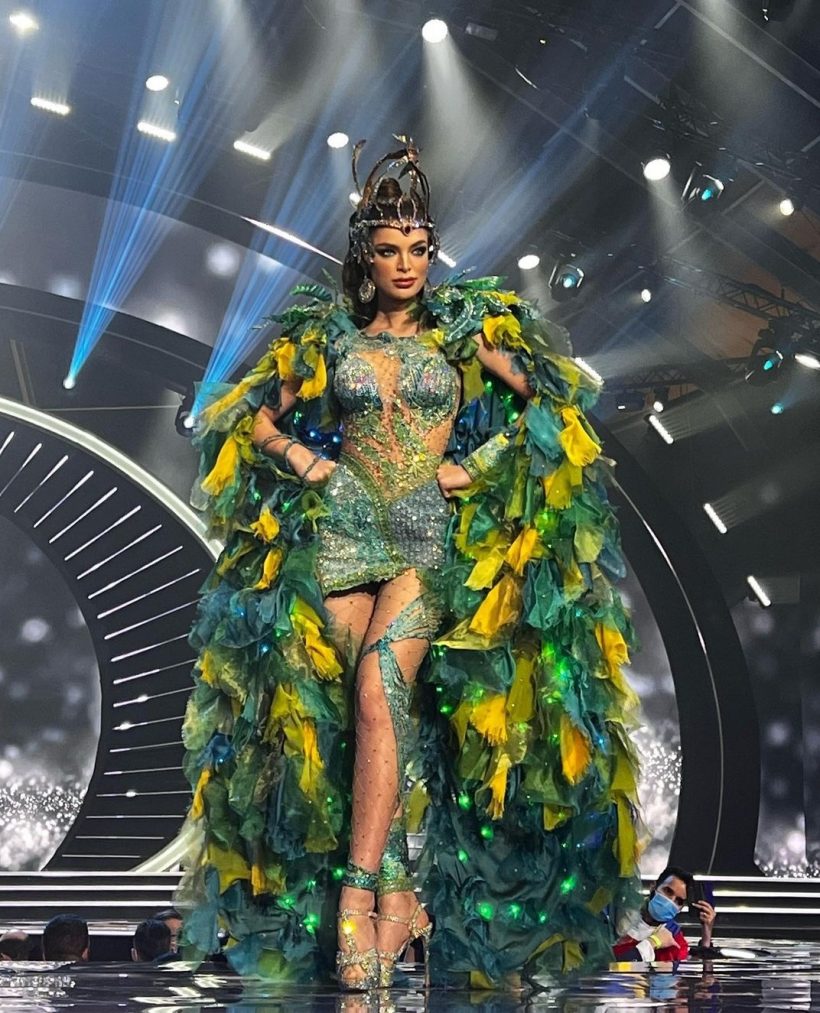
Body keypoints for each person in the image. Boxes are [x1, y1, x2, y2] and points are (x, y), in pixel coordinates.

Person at [176, 137, 641, 988]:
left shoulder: (462, 335)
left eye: (419, 249)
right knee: (357, 720)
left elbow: (555, 401)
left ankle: (358, 899)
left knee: (377, 689)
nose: (406, 264)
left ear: (432, 253)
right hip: (344, 531)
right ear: (366, 256)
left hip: (425, 537)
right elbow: (250, 417)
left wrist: (474, 467)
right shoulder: (330, 338)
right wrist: (311, 463)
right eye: (390, 250)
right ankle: (397, 896)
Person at [613, 866, 716, 962]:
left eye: (679, 901)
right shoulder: (617, 914)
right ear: (653, 887)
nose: (670, 901)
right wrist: (653, 942)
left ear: (681, 908)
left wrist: (706, 935)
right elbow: (606, 964)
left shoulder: (675, 941)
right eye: (668, 891)